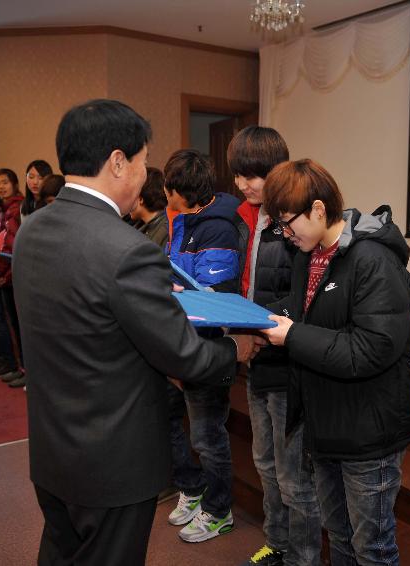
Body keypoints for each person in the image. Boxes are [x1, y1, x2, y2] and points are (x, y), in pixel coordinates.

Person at [11, 98, 263, 566]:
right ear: (118, 161)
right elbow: (183, 356)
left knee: (61, 552)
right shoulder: (127, 249)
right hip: (112, 460)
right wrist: (236, 348)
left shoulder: (34, 229)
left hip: (52, 448)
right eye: (146, 163)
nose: (149, 177)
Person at [261, 159, 410, 566]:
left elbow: (368, 350)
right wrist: (253, 315)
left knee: (373, 549)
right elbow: (305, 312)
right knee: (340, 538)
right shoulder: (307, 255)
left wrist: (292, 334)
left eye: (288, 222)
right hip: (327, 423)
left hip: (370, 430)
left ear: (318, 209)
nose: (285, 233)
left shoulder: (373, 261)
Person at [229, 126, 321, 566]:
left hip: (287, 363)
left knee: (293, 477)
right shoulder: (252, 220)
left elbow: (302, 300)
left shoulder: (292, 227)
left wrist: (255, 328)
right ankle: (277, 543)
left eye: (254, 175)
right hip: (259, 358)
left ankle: (302, 557)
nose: (244, 184)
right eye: (239, 175)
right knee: (265, 464)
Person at [162, 148, 245, 543]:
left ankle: (218, 510)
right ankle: (194, 491)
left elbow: (217, 296)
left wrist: (176, 289)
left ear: (180, 190)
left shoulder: (217, 228)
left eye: (168, 187)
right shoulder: (186, 221)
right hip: (180, 343)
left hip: (207, 347)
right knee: (173, 420)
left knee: (208, 437)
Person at [0, 169, 25, 386]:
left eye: (5, 182)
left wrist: (0, 273)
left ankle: (21, 368)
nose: (1, 187)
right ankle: (16, 365)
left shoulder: (17, 207)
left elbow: (12, 245)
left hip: (10, 273)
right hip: (0, 271)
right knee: (5, 322)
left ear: (15, 183)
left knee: (16, 325)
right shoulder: (2, 208)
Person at [127, 166, 168, 249]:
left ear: (140, 199)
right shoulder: (140, 226)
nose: (127, 202)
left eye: (129, 195)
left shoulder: (166, 231)